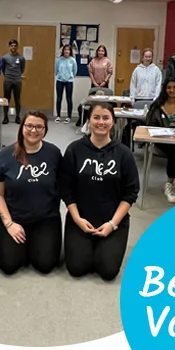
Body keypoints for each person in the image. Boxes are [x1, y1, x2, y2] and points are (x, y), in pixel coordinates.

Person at [60, 102, 140, 281]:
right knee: (76, 267)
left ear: (113, 122)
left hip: (113, 221)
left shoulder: (124, 154)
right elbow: (65, 189)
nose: (101, 122)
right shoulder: (75, 150)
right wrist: (77, 219)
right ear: (89, 121)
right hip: (80, 219)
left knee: (108, 271)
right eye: (96, 117)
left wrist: (112, 224)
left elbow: (130, 193)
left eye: (106, 118)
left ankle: (105, 244)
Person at [0, 111, 62, 275]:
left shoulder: (54, 153)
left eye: (39, 127)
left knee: (45, 265)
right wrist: (9, 224)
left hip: (45, 219)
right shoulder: (5, 156)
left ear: (45, 130)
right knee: (8, 266)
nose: (34, 130)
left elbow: (63, 186)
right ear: (22, 127)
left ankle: (36, 242)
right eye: (29, 125)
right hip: (14, 218)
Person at [1, 39, 26, 125]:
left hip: (17, 80)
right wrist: (8, 75)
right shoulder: (5, 58)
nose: (13, 47)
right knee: (6, 99)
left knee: (17, 99)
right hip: (8, 80)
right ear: (9, 47)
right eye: (12, 46)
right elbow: (3, 69)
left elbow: (22, 69)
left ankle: (18, 117)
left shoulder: (21, 58)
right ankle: (5, 117)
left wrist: (17, 75)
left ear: (17, 47)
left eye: (15, 46)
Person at [54, 44, 77, 124]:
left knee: (69, 99)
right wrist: (59, 76)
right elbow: (56, 70)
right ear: (63, 51)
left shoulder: (72, 60)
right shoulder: (59, 60)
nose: (66, 51)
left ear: (70, 51)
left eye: (68, 50)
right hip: (60, 81)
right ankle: (58, 116)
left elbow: (75, 71)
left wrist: (70, 77)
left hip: (69, 81)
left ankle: (68, 117)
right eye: (65, 49)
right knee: (59, 98)